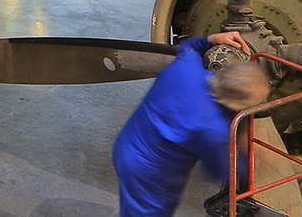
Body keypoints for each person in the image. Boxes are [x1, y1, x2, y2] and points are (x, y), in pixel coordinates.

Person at [112, 30, 272, 217]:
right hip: (150, 176)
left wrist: (211, 39)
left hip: (127, 146)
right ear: (235, 106)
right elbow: (221, 170)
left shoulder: (186, 66)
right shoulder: (211, 127)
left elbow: (186, 47)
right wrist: (247, 150)